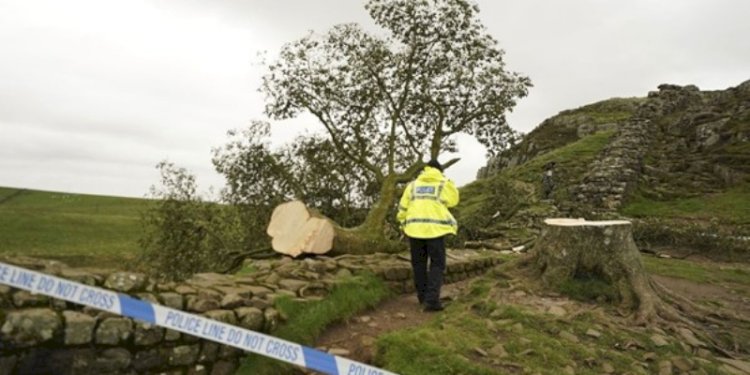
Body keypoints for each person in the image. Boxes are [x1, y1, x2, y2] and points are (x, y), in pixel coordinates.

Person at [396, 159, 459, 312]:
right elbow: (453, 201)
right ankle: (432, 301)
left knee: (419, 264)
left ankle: (422, 297)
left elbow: (403, 207)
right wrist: (448, 182)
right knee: (437, 264)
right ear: (439, 170)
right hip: (435, 230)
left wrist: (402, 224)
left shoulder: (412, 185)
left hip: (414, 230)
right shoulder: (443, 183)